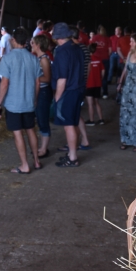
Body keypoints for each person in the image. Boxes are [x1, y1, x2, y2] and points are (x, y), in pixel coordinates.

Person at [0, 27, 42, 174]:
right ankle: (36, 161)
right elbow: (38, 83)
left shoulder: (7, 59)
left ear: (13, 40)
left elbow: (4, 84)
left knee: (17, 133)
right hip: (29, 102)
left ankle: (24, 165)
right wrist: (34, 99)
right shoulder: (33, 58)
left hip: (13, 104)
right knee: (31, 130)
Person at [51, 23, 85, 168]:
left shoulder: (62, 51)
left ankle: (72, 157)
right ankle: (72, 153)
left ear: (58, 37)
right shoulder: (77, 48)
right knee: (74, 121)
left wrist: (57, 99)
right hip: (78, 89)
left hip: (68, 91)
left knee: (68, 125)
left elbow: (62, 78)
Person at [31, 34, 53, 159]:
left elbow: (47, 78)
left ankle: (44, 149)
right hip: (39, 91)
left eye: (33, 43)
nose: (31, 45)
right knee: (39, 119)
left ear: (38, 45)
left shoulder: (44, 59)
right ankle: (42, 147)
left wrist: (34, 78)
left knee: (42, 119)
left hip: (44, 92)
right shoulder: (38, 58)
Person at [84, 43, 105, 126]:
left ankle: (91, 121)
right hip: (97, 84)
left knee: (90, 104)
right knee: (96, 102)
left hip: (89, 84)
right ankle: (101, 119)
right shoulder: (98, 59)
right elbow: (103, 70)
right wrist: (101, 78)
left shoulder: (86, 60)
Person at [90, 25, 110, 98]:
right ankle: (105, 93)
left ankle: (96, 93)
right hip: (105, 59)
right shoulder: (107, 38)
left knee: (96, 76)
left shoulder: (94, 38)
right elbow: (110, 50)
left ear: (97, 31)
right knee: (104, 77)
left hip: (96, 59)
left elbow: (91, 48)